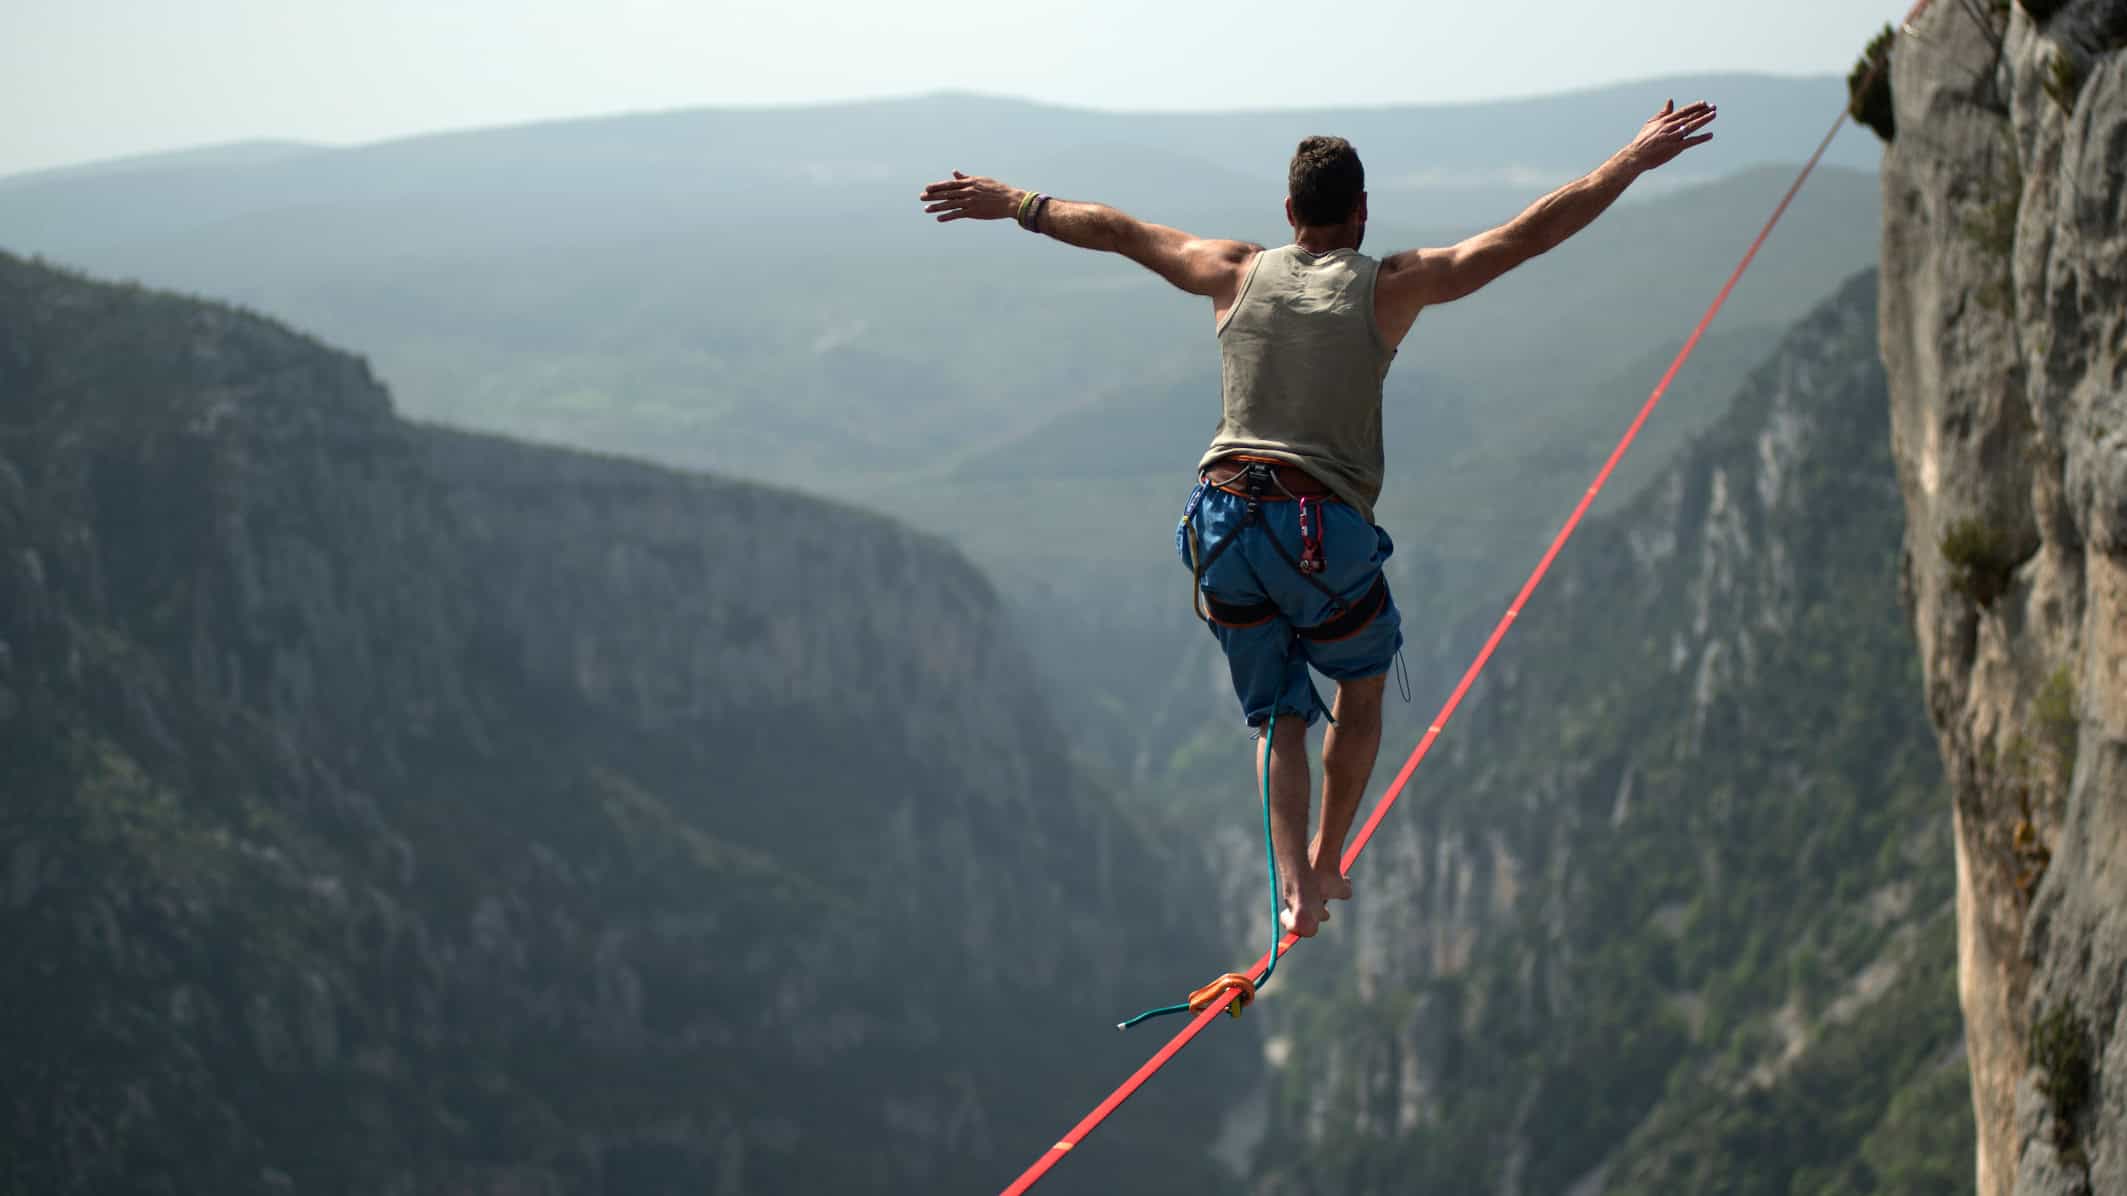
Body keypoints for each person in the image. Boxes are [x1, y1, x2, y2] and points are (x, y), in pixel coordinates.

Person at [919, 100, 1717, 939]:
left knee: (1278, 717)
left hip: (1221, 524)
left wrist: (1015, 202)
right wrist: (1629, 158)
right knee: (1360, 693)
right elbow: (1526, 236)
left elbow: (1116, 229)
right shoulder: (1391, 285)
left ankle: (1291, 880)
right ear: (1360, 213)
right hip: (1315, 529)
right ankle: (1327, 860)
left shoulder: (1230, 267)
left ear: (1288, 213)